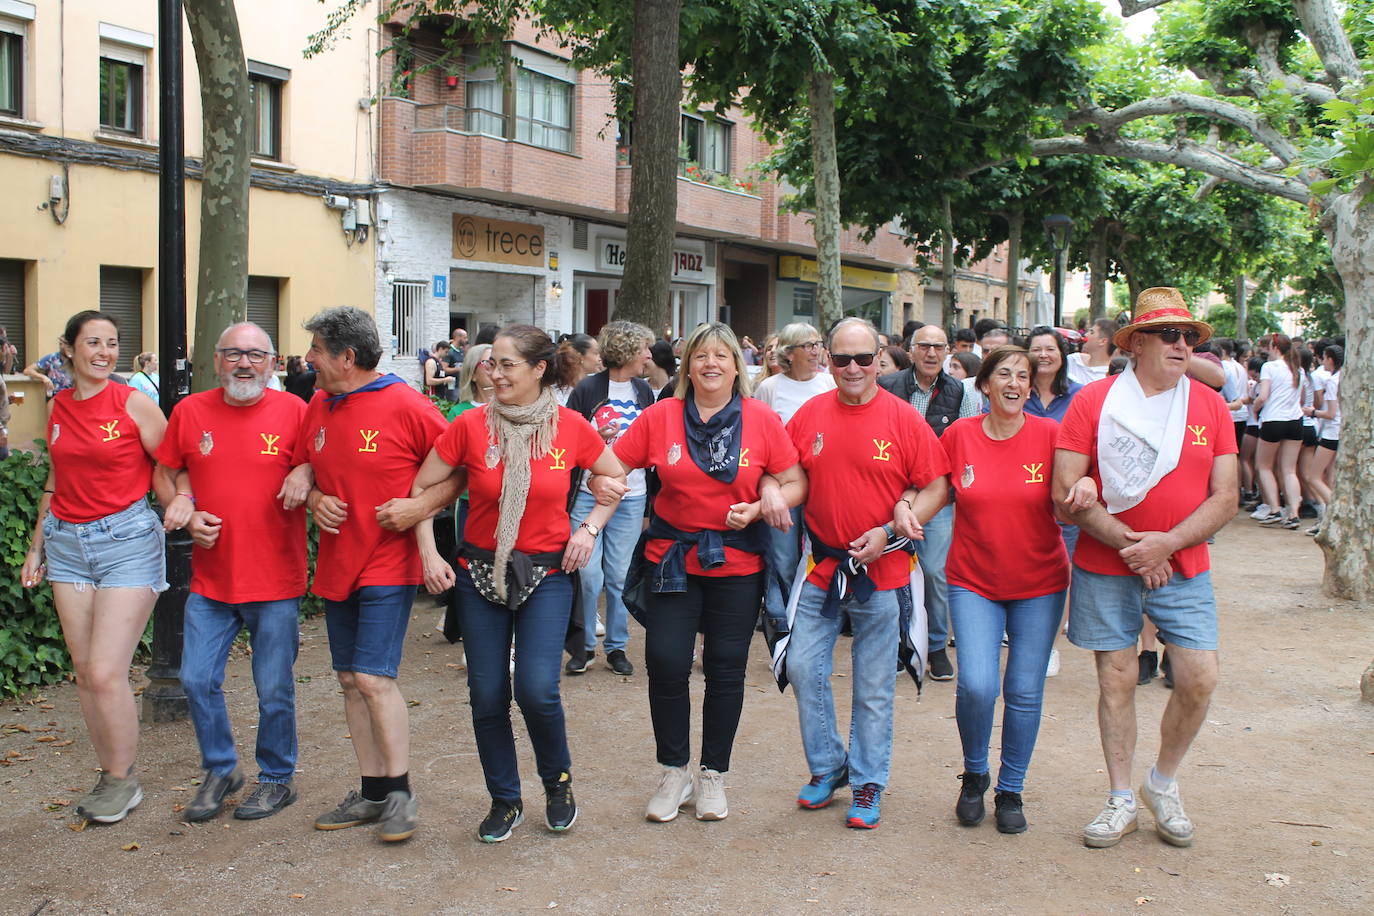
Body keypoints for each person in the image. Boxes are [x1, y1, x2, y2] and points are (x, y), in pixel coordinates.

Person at [409, 325, 627, 843]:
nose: (495, 372)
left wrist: (589, 528)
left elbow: (616, 480)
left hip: (547, 573)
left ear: (538, 370)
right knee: (486, 694)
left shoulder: (572, 427)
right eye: (492, 363)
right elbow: (421, 488)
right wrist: (428, 551)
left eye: (507, 364)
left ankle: (558, 783)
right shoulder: (469, 426)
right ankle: (504, 799)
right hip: (478, 571)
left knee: (536, 689)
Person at [1053, 287, 1237, 850]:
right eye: (1171, 335)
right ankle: (1120, 799)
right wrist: (1135, 545)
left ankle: (1162, 783)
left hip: (1185, 564)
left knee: (1199, 677)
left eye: (1189, 336)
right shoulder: (1094, 402)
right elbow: (1064, 493)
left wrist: (1167, 546)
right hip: (1107, 564)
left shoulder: (1209, 405)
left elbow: (1225, 496)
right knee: (1117, 679)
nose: (1183, 346)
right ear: (1138, 345)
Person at [612, 322, 805, 823]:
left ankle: (713, 773)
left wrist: (766, 501)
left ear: (737, 366)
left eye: (722, 355)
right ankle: (674, 771)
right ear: (687, 366)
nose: (711, 364)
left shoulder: (761, 419)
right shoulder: (661, 416)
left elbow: (795, 480)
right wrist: (600, 496)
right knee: (667, 662)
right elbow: (611, 464)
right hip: (672, 559)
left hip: (738, 562)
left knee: (724, 669)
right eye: (701, 356)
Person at [289, 306, 450, 844]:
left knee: (374, 679)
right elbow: (302, 461)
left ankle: (400, 793)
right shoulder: (319, 403)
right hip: (339, 561)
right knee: (348, 681)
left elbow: (460, 468)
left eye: (315, 350)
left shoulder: (407, 403)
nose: (308, 358)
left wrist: (416, 510)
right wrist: (312, 496)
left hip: (388, 560)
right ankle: (373, 792)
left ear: (347, 357)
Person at [786, 317, 949, 829]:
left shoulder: (903, 419)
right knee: (802, 667)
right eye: (841, 358)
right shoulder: (808, 415)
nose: (853, 368)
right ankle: (829, 766)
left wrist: (898, 520)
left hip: (885, 570)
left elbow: (937, 485)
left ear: (880, 358)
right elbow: (785, 475)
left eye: (863, 358)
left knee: (874, 684)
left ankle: (867, 781)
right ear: (825, 360)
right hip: (822, 568)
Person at [20, 311, 173, 823]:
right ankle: (109, 771)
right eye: (93, 343)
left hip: (126, 540)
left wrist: (185, 503)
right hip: (66, 543)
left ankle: (124, 781)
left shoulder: (133, 402)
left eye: (112, 343)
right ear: (69, 349)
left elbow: (170, 463)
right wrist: (37, 546)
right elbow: (57, 479)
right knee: (86, 673)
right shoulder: (60, 404)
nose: (104, 352)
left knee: (107, 670)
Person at [155, 323, 308, 822]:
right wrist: (183, 500)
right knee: (196, 679)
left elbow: (325, 464)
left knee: (273, 689)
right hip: (213, 580)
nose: (245, 364)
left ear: (273, 363)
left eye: (256, 355)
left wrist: (306, 471)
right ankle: (222, 768)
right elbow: (167, 468)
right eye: (234, 354)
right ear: (216, 361)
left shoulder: (297, 413)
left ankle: (277, 778)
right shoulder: (189, 412)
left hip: (275, 579)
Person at [944, 346, 1084, 833]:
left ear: (1031, 386)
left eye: (1024, 376)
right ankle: (975, 774)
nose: (1015, 382)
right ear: (984, 385)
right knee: (977, 684)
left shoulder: (1052, 435)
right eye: (1004, 373)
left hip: (1040, 583)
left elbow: (1070, 501)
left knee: (1024, 691)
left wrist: (1084, 491)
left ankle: (1011, 790)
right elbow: (932, 491)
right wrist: (897, 518)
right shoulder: (958, 434)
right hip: (973, 580)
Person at [878, 323, 981, 681]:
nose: (932, 353)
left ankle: (936, 645)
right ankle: (895, 645)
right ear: (910, 350)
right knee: (889, 571)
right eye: (924, 347)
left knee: (935, 573)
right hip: (887, 494)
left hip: (937, 497)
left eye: (939, 347)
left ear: (948, 350)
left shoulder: (961, 392)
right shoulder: (887, 387)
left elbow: (968, 447)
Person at [564, 321, 655, 675]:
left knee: (618, 575)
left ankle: (616, 646)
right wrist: (593, 437)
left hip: (632, 496)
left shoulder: (644, 392)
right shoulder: (587, 389)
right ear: (629, 351)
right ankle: (584, 646)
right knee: (588, 574)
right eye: (644, 349)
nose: (649, 355)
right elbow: (568, 437)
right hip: (590, 493)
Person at [1251, 333, 1305, 529]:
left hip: (1273, 419)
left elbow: (1263, 396)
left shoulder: (1269, 367)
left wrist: (1255, 408)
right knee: (1289, 469)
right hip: (1295, 420)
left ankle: (1274, 509)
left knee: (1263, 466)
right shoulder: (1297, 368)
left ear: (1274, 347)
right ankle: (1293, 513)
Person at [1304, 344, 1341, 535]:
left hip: (1331, 433)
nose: (1322, 361)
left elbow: (1331, 413)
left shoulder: (1334, 381)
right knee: (1330, 476)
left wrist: (1312, 412)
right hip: (1339, 432)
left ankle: (1337, 514)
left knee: (1314, 477)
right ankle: (1332, 517)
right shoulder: (1342, 377)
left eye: (1324, 358)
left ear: (1331, 359)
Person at [1026, 327, 1083, 423]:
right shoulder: (1016, 393)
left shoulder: (1080, 394)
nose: (1043, 355)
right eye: (1036, 350)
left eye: (1050, 349)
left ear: (1062, 355)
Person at [552, 333, 601, 406]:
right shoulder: (557, 396)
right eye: (596, 353)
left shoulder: (598, 386)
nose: (600, 358)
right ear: (580, 357)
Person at [1066, 319, 1118, 386]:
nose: (1085, 334)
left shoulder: (1109, 375)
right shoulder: (1073, 360)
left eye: (1091, 332)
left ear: (1103, 341)